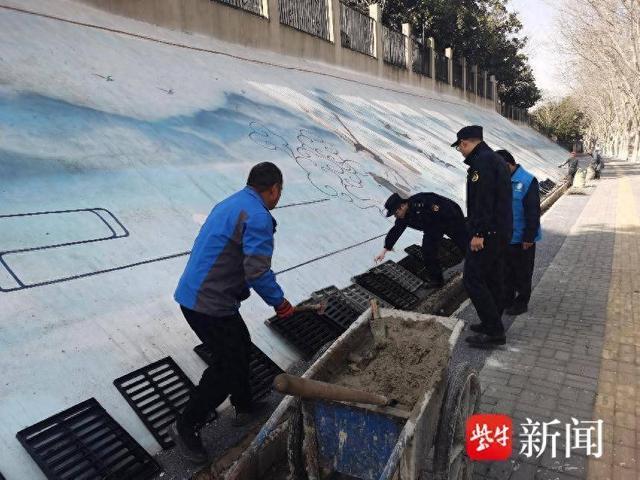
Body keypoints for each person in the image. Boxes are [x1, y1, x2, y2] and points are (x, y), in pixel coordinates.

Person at [170, 162, 295, 463]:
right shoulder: (258, 217)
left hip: (199, 293)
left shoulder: (232, 202)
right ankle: (186, 426)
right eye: (280, 191)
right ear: (274, 189)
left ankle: (244, 406)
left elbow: (229, 253)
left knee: (240, 344)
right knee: (226, 366)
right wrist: (280, 302)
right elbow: (257, 270)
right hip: (208, 303)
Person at [451, 125, 512, 347]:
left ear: (465, 143)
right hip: (500, 231)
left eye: (460, 147)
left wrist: (478, 233)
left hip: (488, 233)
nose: (460, 151)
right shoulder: (494, 159)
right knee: (493, 279)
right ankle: (492, 322)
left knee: (473, 279)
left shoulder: (482, 162)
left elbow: (483, 201)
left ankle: (494, 332)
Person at [375, 192, 468, 287]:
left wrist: (456, 225)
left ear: (402, 206)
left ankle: (477, 264)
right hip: (432, 227)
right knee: (428, 251)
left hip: (450, 216)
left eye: (395, 213)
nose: (395, 216)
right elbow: (396, 230)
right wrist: (386, 249)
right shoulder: (403, 217)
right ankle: (437, 280)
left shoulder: (422, 201)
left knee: (464, 242)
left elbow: (444, 208)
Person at [495, 150, 542, 316]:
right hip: (506, 237)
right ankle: (507, 300)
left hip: (523, 238)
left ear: (508, 164)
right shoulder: (501, 180)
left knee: (523, 272)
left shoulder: (527, 181)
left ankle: (522, 303)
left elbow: (533, 211)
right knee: (506, 272)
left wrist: (529, 236)